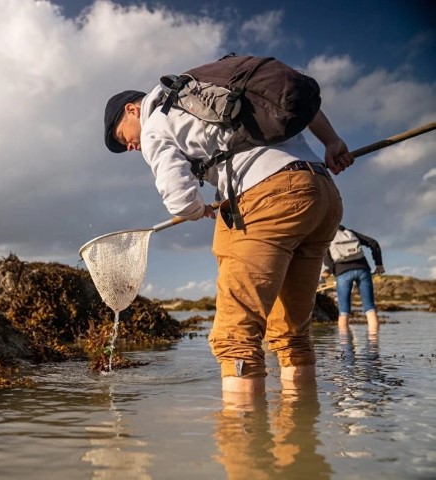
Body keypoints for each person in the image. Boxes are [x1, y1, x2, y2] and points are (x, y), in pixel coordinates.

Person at [103, 75, 355, 399]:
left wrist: (198, 210)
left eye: (123, 138)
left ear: (132, 110)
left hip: (267, 197)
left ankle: (242, 445)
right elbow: (305, 105)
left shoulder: (155, 120)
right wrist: (331, 142)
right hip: (321, 193)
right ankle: (301, 436)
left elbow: (178, 198)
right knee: (292, 332)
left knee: (236, 337)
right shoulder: (212, 88)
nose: (130, 146)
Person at [322, 225, 384, 334]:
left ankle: (345, 347)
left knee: (344, 311)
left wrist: (330, 270)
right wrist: (378, 263)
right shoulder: (350, 233)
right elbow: (373, 243)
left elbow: (327, 257)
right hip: (363, 270)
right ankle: (374, 346)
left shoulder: (328, 236)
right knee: (370, 308)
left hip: (342, 273)